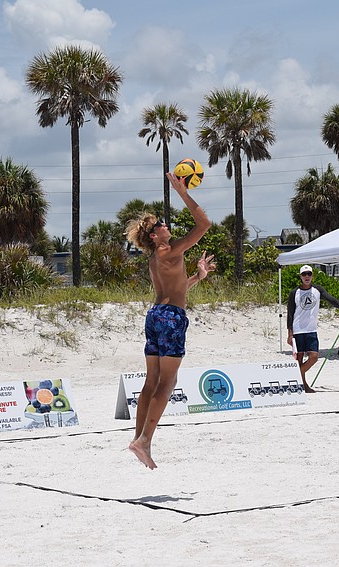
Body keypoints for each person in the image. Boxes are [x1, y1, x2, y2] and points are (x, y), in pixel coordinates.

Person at [125, 172, 214, 469]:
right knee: (168, 381)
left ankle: (139, 439)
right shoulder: (168, 249)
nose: (166, 225)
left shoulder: (158, 258)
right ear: (154, 236)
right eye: (161, 224)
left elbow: (175, 290)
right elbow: (204, 224)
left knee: (152, 381)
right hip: (172, 319)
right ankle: (145, 440)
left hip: (155, 316)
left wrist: (197, 277)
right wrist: (182, 192)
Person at [286, 265, 339, 393]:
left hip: (311, 330)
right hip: (298, 329)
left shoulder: (317, 289)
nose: (306, 276)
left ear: (312, 276)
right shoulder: (294, 292)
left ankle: (297, 375)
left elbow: (331, 299)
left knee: (314, 356)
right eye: (304, 274)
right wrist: (290, 334)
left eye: (309, 274)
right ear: (300, 276)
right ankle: (303, 385)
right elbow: (290, 313)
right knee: (298, 359)